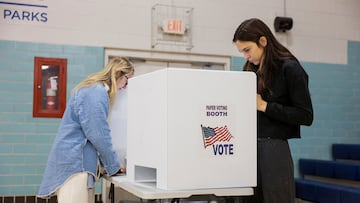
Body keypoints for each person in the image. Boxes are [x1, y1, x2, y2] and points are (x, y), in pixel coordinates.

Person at [232, 18, 313, 203]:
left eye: (247, 50)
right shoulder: (250, 70)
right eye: (241, 52)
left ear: (263, 41)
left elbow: (306, 115)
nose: (245, 56)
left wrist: (264, 106)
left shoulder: (290, 68)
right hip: (248, 148)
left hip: (274, 149)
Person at [37, 57, 134, 203]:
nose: (125, 87)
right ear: (118, 73)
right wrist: (113, 165)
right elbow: (99, 135)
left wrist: (104, 164)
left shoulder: (95, 91)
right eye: (127, 80)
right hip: (74, 168)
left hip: (77, 166)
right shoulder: (95, 92)